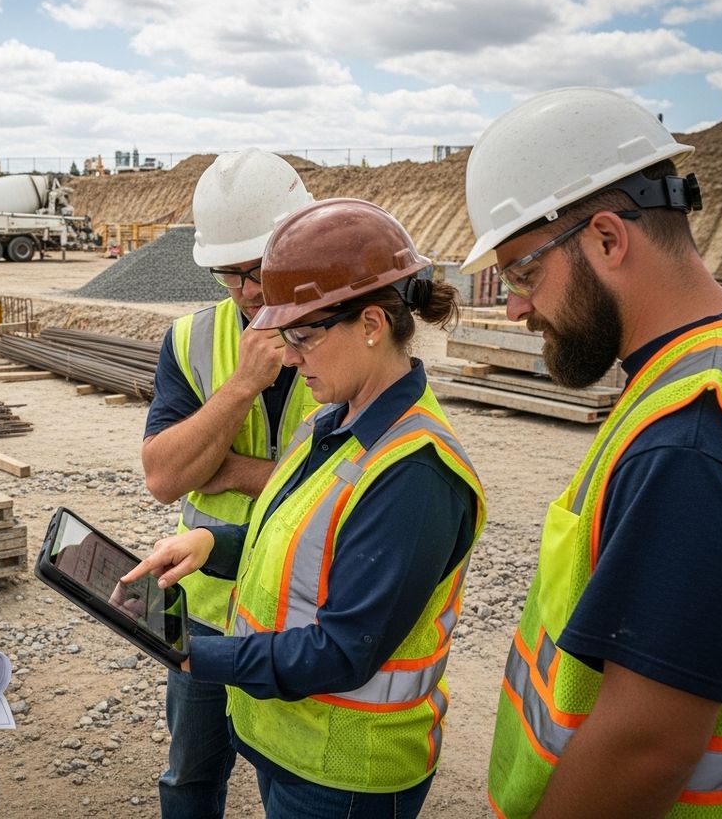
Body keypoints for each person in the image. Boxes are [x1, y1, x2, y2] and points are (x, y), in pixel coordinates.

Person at [459, 86, 722, 817]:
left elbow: (645, 743)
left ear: (609, 240)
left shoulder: (696, 437)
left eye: (523, 273)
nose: (513, 307)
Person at [130, 198, 486, 818]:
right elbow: (300, 542)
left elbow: (345, 649)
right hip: (298, 751)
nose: (288, 357)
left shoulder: (414, 472)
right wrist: (212, 546)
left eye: (303, 335)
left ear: (372, 324)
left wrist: (195, 653)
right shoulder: (335, 423)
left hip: (348, 775)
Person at [140, 148, 317, 818]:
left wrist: (234, 470)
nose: (246, 291)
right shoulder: (191, 341)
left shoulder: (352, 338)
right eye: (230, 274)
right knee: (190, 777)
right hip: (209, 608)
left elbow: (363, 488)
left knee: (293, 781)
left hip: (307, 611)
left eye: (260, 270)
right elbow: (165, 477)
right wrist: (244, 383)